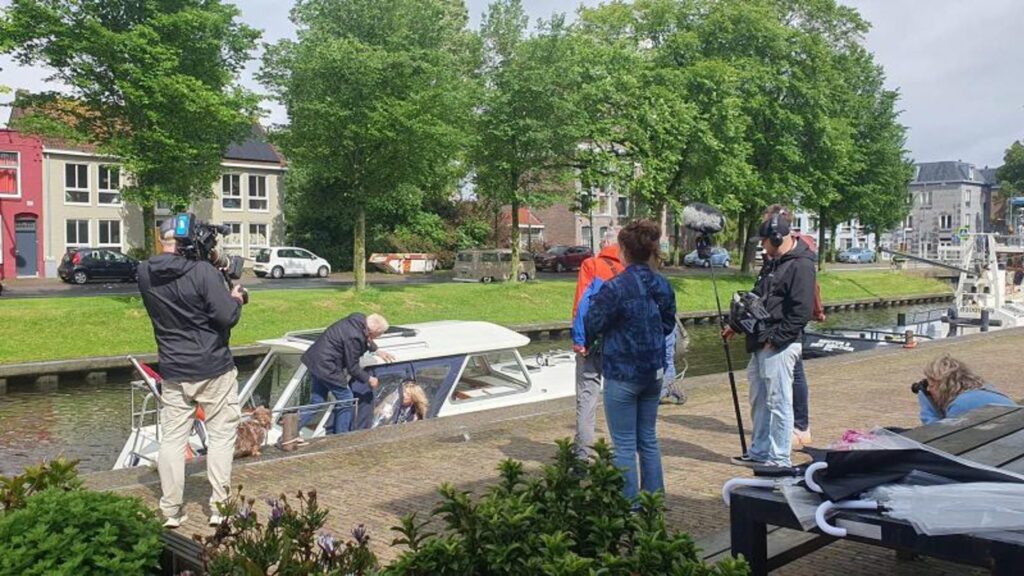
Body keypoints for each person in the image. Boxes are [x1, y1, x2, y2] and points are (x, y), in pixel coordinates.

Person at [138, 219, 245, 529]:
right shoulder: (203, 272)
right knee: (222, 436)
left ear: (162, 241)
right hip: (212, 367)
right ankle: (220, 508)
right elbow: (226, 316)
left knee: (171, 440)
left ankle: (171, 510)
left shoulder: (145, 272)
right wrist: (235, 298)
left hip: (173, 369)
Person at [585, 220, 677, 502]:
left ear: (623, 250)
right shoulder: (662, 284)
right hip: (653, 372)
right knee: (648, 439)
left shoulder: (614, 287)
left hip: (623, 372)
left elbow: (593, 322)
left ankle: (629, 506)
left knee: (623, 444)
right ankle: (654, 500)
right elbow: (668, 323)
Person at [724, 206, 816, 468]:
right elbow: (757, 299)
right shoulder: (773, 263)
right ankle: (760, 451)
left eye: (765, 242)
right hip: (760, 342)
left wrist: (775, 340)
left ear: (777, 239)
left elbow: (801, 311)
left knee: (779, 401)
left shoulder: (801, 266)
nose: (763, 247)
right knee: (759, 400)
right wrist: (736, 324)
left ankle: (779, 458)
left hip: (779, 345)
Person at [571, 227, 624, 459]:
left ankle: (583, 456)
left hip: (593, 343)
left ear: (604, 243)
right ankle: (619, 455)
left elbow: (581, 304)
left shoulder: (591, 265)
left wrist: (580, 341)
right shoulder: (629, 270)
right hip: (619, 344)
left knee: (587, 397)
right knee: (618, 401)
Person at [301, 313, 395, 434]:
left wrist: (376, 350)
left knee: (317, 401)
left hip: (315, 360)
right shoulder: (354, 338)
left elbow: (366, 338)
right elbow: (353, 368)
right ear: (373, 331)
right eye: (379, 334)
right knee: (346, 399)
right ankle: (342, 436)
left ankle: (291, 431)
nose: (379, 337)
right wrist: (369, 379)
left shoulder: (358, 319)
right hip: (328, 367)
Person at [787, 224, 827, 449]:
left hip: (792, 321)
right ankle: (797, 424)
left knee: (796, 372)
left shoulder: (800, 251)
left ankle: (801, 425)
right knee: (796, 371)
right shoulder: (798, 248)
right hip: (791, 318)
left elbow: (811, 286)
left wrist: (817, 310)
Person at [917, 354, 1017, 424]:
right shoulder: (983, 390)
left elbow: (940, 440)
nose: (929, 390)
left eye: (931, 385)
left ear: (944, 385)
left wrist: (928, 407)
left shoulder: (961, 404)